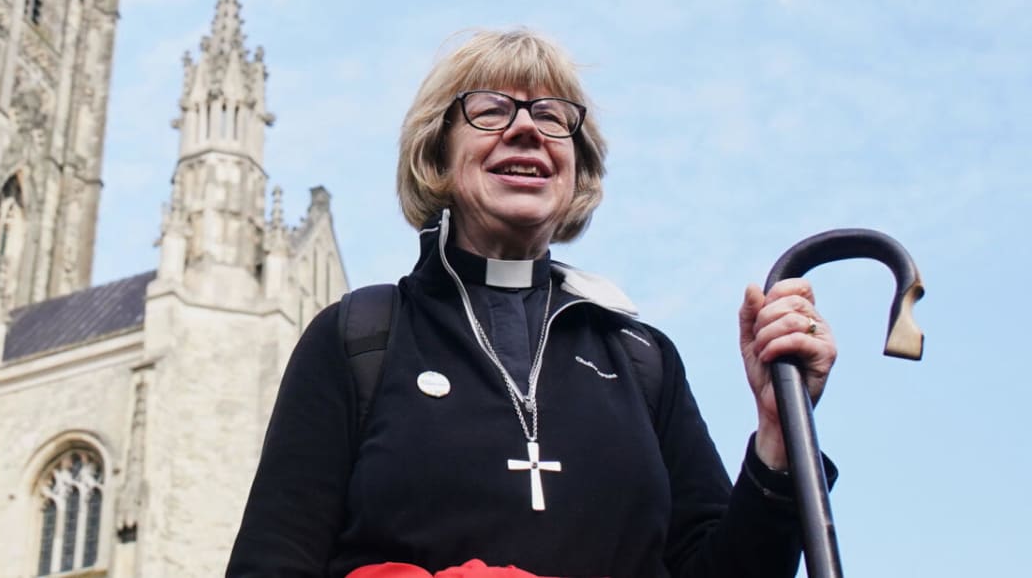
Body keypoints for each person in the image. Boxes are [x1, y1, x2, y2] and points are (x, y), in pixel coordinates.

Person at [226, 29, 838, 577]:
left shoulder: (643, 359)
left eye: (552, 116)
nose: (526, 129)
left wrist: (781, 441)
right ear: (437, 154)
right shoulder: (358, 336)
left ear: (577, 164)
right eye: (490, 111)